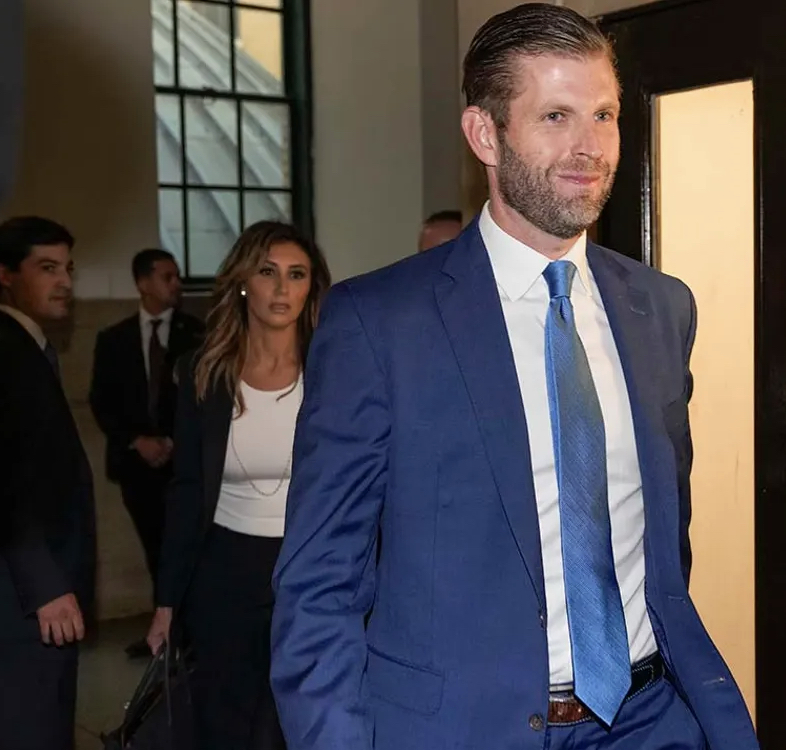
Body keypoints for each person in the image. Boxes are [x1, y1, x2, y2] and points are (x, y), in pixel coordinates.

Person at [270, 4, 759, 750]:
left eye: (604, 114)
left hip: (649, 719)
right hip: (463, 729)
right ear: (484, 134)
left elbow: (658, 537)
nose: (589, 146)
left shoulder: (660, 308)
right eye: (556, 115)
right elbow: (319, 587)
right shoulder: (380, 323)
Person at [148, 221, 331, 750]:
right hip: (223, 570)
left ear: (310, 287)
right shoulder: (204, 374)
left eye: (296, 275)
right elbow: (185, 492)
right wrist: (166, 601)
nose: (281, 288)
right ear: (244, 282)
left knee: (296, 720)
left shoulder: (334, 369)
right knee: (225, 719)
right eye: (268, 272)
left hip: (310, 568)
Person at [0, 216, 96, 750]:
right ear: (4, 274)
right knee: (23, 732)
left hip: (24, 592)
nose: (66, 283)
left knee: (45, 730)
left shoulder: (20, 350)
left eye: (69, 268)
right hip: (15, 597)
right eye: (48, 268)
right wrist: (47, 587)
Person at [89, 248, 203, 657]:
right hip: (136, 466)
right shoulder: (113, 339)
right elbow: (102, 401)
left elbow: (205, 397)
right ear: (142, 283)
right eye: (167, 277)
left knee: (185, 545)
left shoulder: (197, 334)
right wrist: (138, 441)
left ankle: (189, 632)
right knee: (154, 546)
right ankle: (164, 629)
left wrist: (174, 440)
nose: (177, 284)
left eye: (177, 277)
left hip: (182, 463)